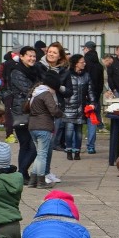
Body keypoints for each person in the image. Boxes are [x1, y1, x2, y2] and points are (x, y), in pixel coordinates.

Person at [38, 41, 70, 182]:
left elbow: (69, 91)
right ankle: (40, 173)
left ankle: (47, 171)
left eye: (54, 53)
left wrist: (59, 88)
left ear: (60, 56)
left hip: (56, 110)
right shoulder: (39, 67)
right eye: (50, 51)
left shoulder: (64, 71)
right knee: (43, 144)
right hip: (41, 111)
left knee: (50, 143)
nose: (51, 54)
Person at [8, 46, 40, 182]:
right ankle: (21, 172)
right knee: (29, 144)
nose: (32, 58)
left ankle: (22, 173)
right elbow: (29, 89)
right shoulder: (17, 72)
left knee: (30, 145)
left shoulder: (34, 70)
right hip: (21, 112)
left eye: (34, 56)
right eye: (29, 56)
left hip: (33, 111)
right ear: (21, 56)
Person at [27, 72, 63, 189]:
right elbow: (53, 110)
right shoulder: (46, 94)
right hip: (44, 127)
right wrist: (60, 113)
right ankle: (41, 181)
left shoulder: (35, 92)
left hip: (33, 126)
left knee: (39, 154)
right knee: (42, 155)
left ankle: (33, 180)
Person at [61, 54, 95, 161]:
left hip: (81, 107)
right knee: (69, 130)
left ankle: (77, 151)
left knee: (79, 132)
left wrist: (92, 102)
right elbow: (60, 87)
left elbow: (90, 90)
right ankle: (69, 150)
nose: (84, 64)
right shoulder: (67, 75)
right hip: (69, 107)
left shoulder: (86, 75)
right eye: (82, 62)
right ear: (76, 63)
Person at [82, 41, 105, 153]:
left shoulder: (83, 63)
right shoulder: (99, 65)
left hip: (82, 95)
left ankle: (73, 146)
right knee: (92, 120)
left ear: (87, 49)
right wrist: (96, 95)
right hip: (94, 97)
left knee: (75, 122)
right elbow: (101, 83)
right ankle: (91, 146)